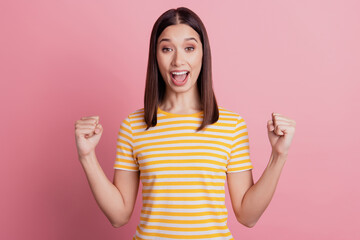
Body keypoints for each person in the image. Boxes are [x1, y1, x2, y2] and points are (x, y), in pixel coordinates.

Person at [74, 7, 296, 240]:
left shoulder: (231, 126)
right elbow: (119, 216)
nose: (178, 60)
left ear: (203, 53)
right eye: (167, 49)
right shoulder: (134, 126)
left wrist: (278, 156)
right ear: (156, 56)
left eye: (189, 48)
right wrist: (87, 156)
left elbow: (247, 216)